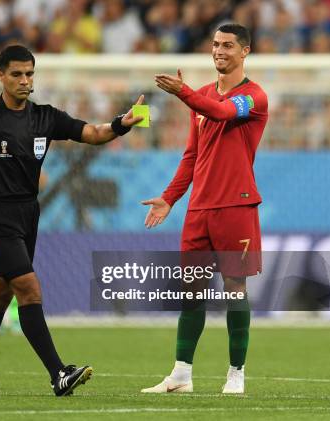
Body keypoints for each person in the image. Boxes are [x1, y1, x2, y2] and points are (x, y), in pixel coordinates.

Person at [0, 44, 145, 396]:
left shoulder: (45, 117)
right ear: (0, 76)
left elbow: (93, 133)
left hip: (27, 212)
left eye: (29, 74)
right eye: (16, 74)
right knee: (29, 289)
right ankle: (58, 374)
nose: (24, 80)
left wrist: (121, 124)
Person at [141, 23, 268, 394]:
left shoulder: (254, 97)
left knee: (234, 289)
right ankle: (181, 374)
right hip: (199, 209)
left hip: (236, 206)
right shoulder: (200, 97)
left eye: (228, 45)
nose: (219, 51)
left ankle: (236, 374)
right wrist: (170, 197)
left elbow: (222, 113)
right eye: (215, 44)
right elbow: (192, 156)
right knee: (191, 291)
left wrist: (182, 92)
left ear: (245, 51)